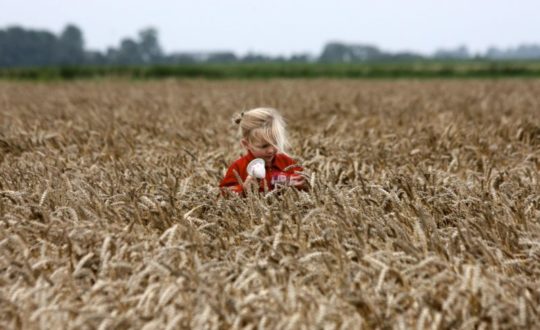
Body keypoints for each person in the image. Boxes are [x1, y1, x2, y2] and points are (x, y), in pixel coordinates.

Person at [220, 107, 306, 196]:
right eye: (264, 146)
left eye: (275, 143)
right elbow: (223, 195)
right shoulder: (238, 168)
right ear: (246, 144)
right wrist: (244, 189)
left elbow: (305, 181)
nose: (271, 150)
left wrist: (286, 179)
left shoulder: (286, 162)